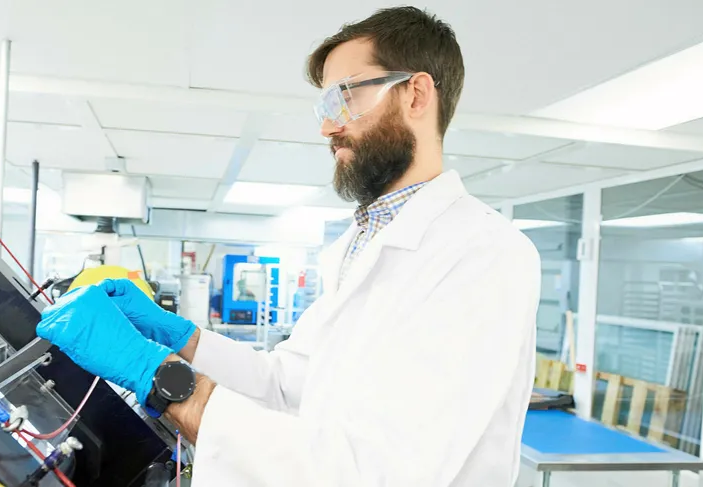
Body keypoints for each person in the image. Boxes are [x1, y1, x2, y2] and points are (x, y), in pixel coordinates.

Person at [37, 6, 541, 486]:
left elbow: (387, 471)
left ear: (415, 94)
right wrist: (181, 336)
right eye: (324, 106)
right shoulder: (360, 245)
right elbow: (289, 382)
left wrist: (160, 378)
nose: (327, 126)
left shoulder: (487, 254)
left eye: (345, 97)